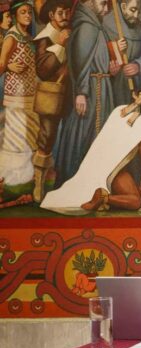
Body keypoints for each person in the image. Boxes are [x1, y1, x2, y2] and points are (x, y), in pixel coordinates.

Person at [52, 0, 114, 188]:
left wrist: (109, 69)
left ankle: (90, 183)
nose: (105, 10)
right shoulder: (86, 26)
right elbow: (81, 63)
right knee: (82, 133)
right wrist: (81, 92)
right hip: (91, 90)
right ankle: (73, 182)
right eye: (103, 4)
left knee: (93, 134)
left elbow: (95, 59)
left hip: (99, 86)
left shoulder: (93, 24)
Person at [32, 0, 72, 202]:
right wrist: (61, 45)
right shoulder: (45, 37)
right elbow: (43, 70)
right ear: (51, 16)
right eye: (60, 13)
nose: (64, 16)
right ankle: (39, 184)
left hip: (70, 94)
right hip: (52, 95)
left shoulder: (72, 31)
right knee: (46, 139)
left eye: (67, 12)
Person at [0, 0, 40, 187]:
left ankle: (28, 178)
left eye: (29, 12)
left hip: (30, 94)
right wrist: (8, 66)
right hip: (15, 95)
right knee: (16, 137)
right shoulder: (12, 36)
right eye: (23, 12)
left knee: (31, 135)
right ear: (15, 15)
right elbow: (2, 63)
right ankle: (12, 179)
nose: (27, 16)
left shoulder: (30, 38)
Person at [103, 0, 141, 106]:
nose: (136, 15)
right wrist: (114, 50)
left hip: (136, 88)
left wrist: (139, 66)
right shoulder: (105, 24)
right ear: (123, 6)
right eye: (133, 10)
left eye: (139, 11)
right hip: (112, 90)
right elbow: (96, 56)